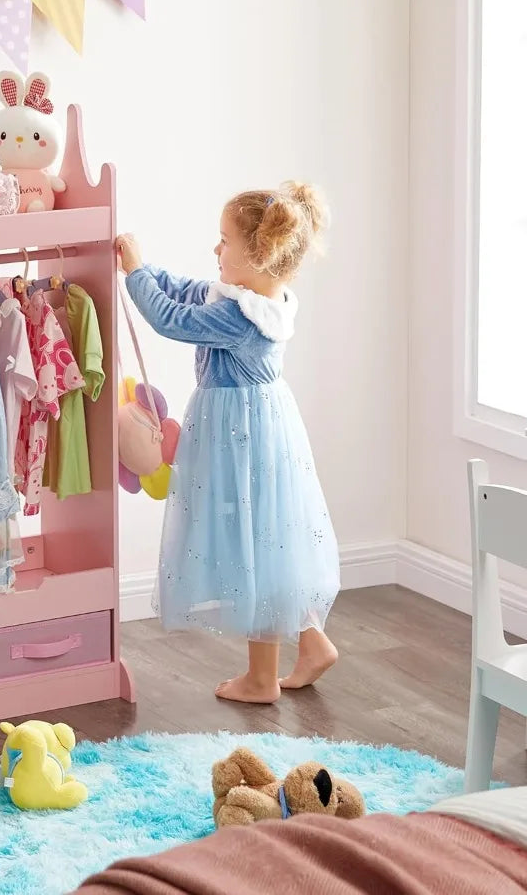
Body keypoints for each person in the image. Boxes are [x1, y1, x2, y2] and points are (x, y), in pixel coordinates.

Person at [116, 183, 339, 704]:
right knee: (273, 543)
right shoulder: (256, 298)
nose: (216, 251)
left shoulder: (240, 318)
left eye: (224, 241)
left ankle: (262, 679)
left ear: (257, 255)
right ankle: (312, 642)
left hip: (243, 436)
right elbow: (187, 290)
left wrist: (135, 274)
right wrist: (146, 271)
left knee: (254, 545)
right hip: (258, 426)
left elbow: (172, 318)